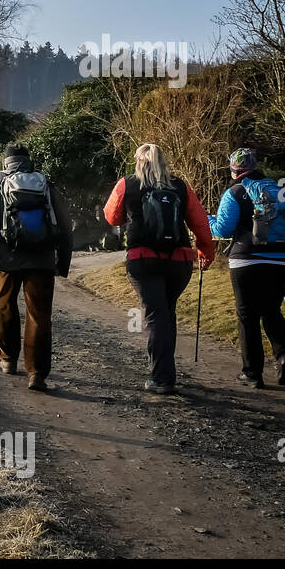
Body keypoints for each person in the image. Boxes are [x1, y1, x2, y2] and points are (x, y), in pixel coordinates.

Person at [103, 143, 215, 395]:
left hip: (143, 259)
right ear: (163, 162)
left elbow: (111, 216)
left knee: (155, 315)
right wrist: (206, 252)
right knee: (166, 312)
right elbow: (200, 222)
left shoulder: (128, 184)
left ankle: (162, 377)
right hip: (179, 261)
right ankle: (166, 371)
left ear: (138, 162)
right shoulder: (180, 186)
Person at [0, 144, 73, 391]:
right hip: (42, 259)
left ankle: (7, 360)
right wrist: (63, 261)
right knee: (39, 315)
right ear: (29, 161)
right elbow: (64, 223)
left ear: (7, 162)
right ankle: (36, 374)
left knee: (5, 306)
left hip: (6, 259)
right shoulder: (45, 183)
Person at [208, 148, 285, 389]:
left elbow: (223, 230)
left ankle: (252, 373)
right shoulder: (281, 191)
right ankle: (284, 357)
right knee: (271, 310)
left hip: (247, 260)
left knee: (247, 315)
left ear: (233, 169)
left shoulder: (235, 192)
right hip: (283, 260)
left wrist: (206, 220)